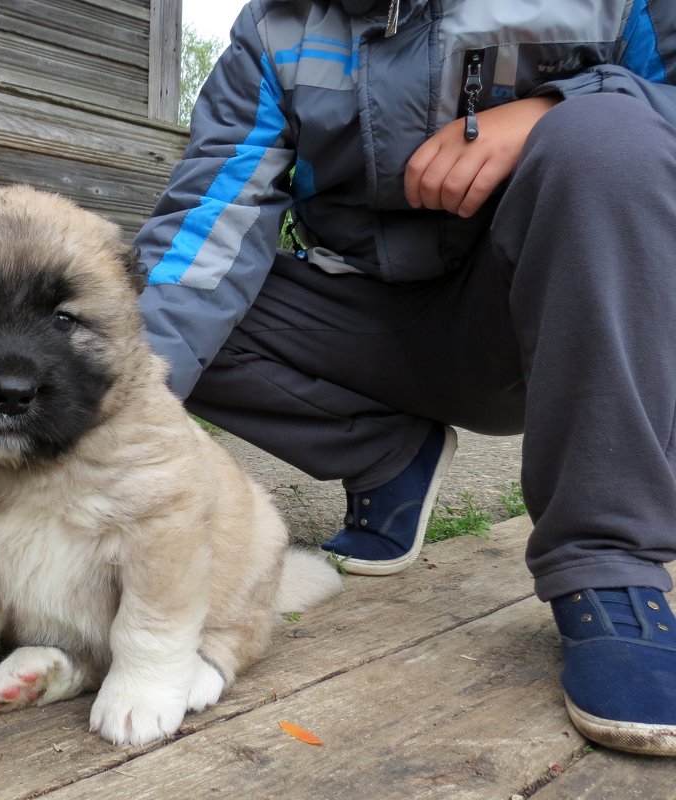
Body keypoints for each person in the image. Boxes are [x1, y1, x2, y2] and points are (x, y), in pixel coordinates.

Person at [133, 0, 676, 756]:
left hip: (536, 321)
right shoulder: (273, 29)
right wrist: (125, 413)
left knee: (610, 143)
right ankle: (387, 456)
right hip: (359, 322)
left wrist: (558, 107)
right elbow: (209, 222)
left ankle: (610, 564)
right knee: (130, 307)